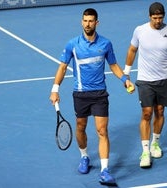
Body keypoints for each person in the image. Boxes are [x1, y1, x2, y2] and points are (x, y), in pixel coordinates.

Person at [49, 8, 134, 185]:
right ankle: (85, 156)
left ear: (97, 23)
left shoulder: (106, 44)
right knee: (80, 127)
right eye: (85, 21)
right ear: (82, 22)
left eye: (91, 21)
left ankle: (104, 170)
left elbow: (114, 65)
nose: (88, 24)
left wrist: (125, 79)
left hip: (100, 94)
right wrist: (55, 89)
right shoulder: (72, 44)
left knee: (102, 131)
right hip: (80, 94)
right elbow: (63, 67)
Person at [123, 2, 167, 168]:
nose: (158, 21)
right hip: (145, 80)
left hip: (163, 79)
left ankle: (155, 143)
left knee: (159, 111)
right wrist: (126, 73)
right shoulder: (140, 31)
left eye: (160, 17)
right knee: (146, 113)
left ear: (163, 16)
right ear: (149, 16)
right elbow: (132, 50)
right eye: (155, 18)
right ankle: (145, 151)